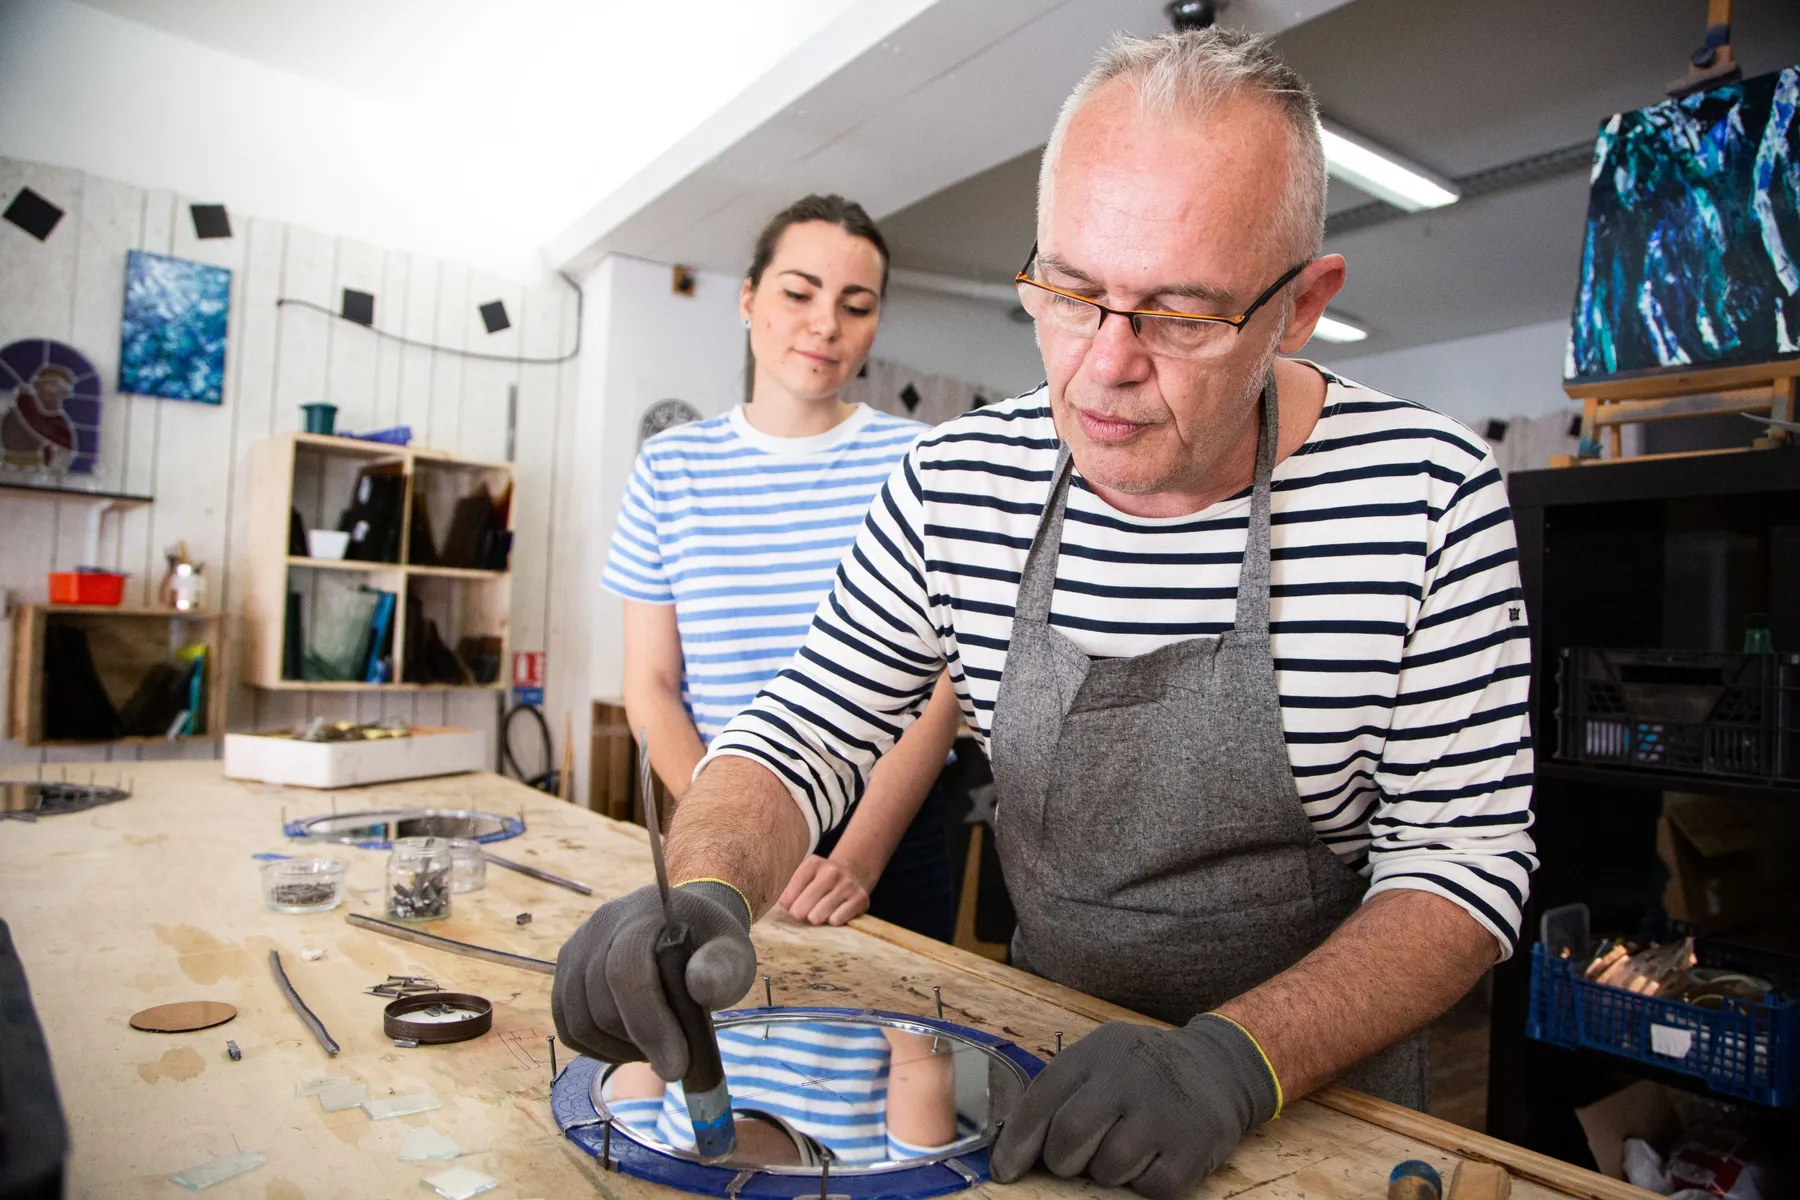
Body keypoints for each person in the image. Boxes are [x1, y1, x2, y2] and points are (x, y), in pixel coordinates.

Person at [557, 29, 1536, 1199]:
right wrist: (706, 885)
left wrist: (1233, 1064)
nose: (1102, 369)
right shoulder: (958, 480)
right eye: (1070, 292)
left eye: (1178, 315)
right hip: (1045, 1052)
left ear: (1302, 303)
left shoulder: (1429, 498)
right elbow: (805, 728)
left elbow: (1465, 863)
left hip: (1315, 1095)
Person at [601, 194, 962, 940]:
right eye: (798, 293)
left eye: (855, 305)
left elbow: (943, 686)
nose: (825, 323)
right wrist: (739, 826)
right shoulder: (671, 468)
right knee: (718, 1031)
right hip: (722, 811)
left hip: (887, 830)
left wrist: (859, 855)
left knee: (913, 1051)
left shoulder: (920, 460)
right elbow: (651, 684)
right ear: (748, 298)